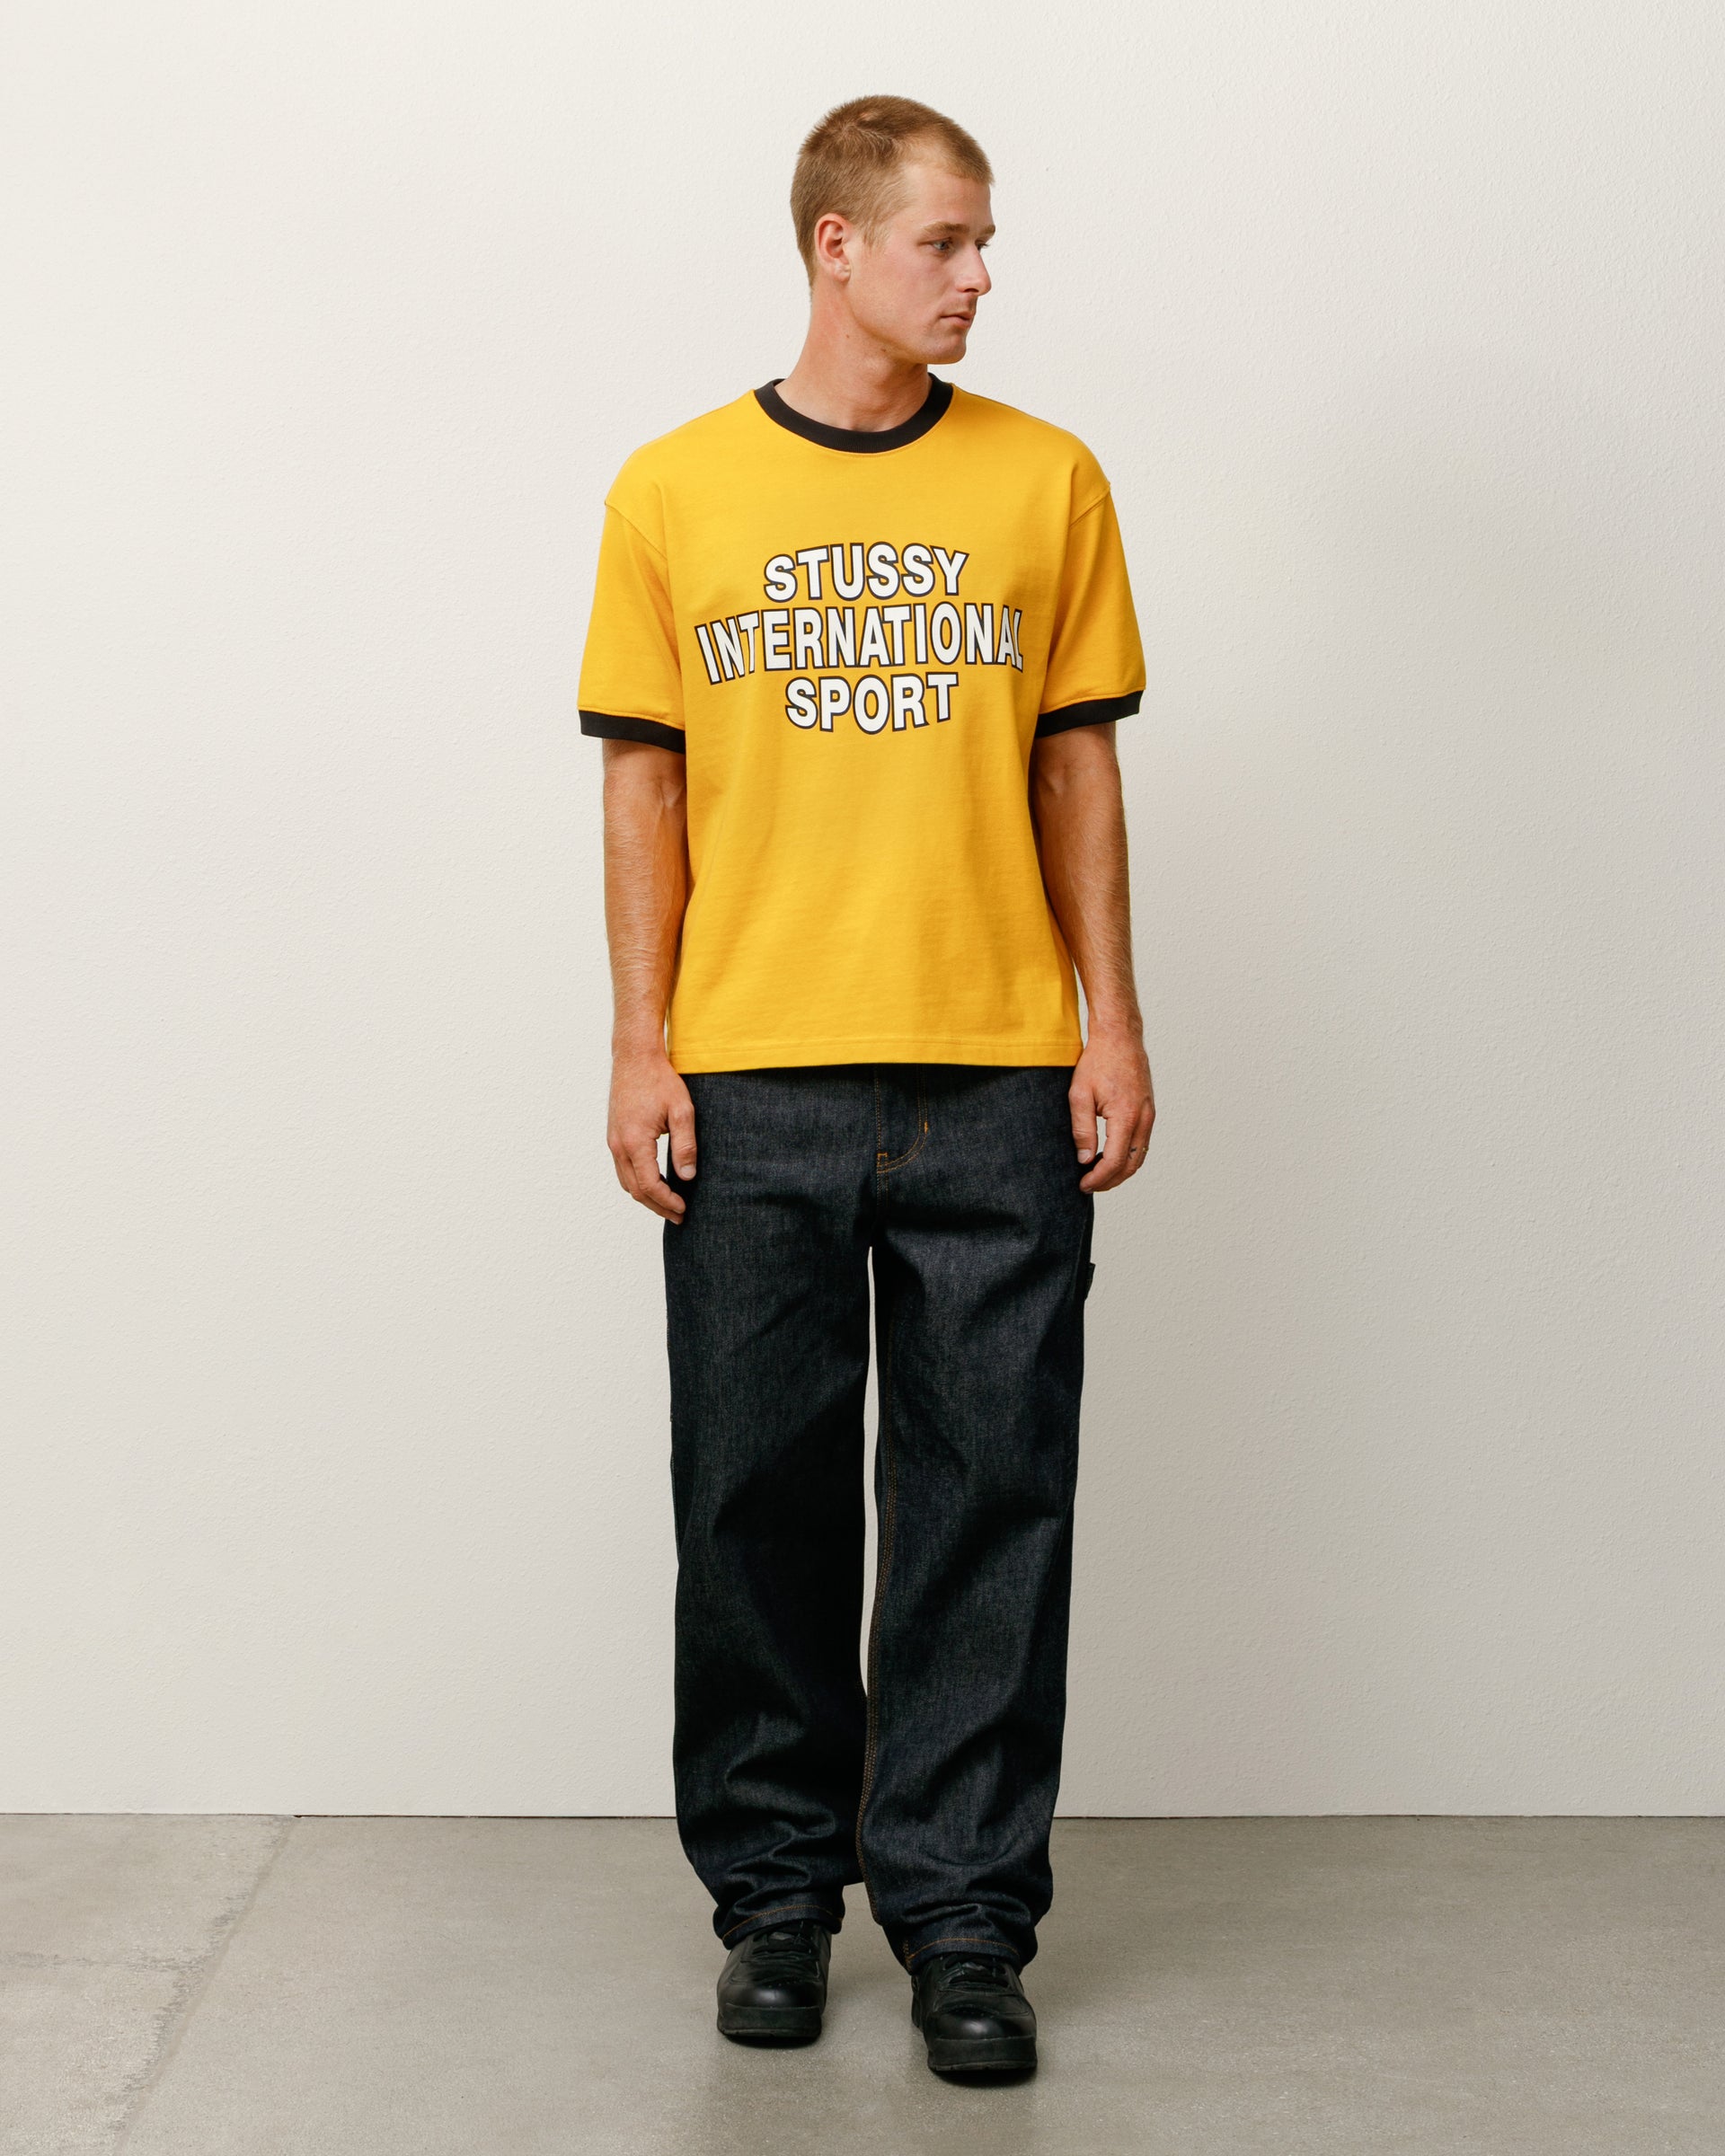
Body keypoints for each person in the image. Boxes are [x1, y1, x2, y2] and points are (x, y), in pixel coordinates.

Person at [577, 93, 1153, 2080]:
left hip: (998, 1073)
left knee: (993, 1506)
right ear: (838, 245)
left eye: (983, 242)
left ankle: (966, 1922)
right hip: (753, 1079)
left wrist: (1112, 1018)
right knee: (755, 1506)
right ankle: (771, 1903)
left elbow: (1077, 765)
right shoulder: (673, 489)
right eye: (946, 241)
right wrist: (641, 1042)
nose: (980, 276)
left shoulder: (1048, 480)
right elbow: (643, 786)